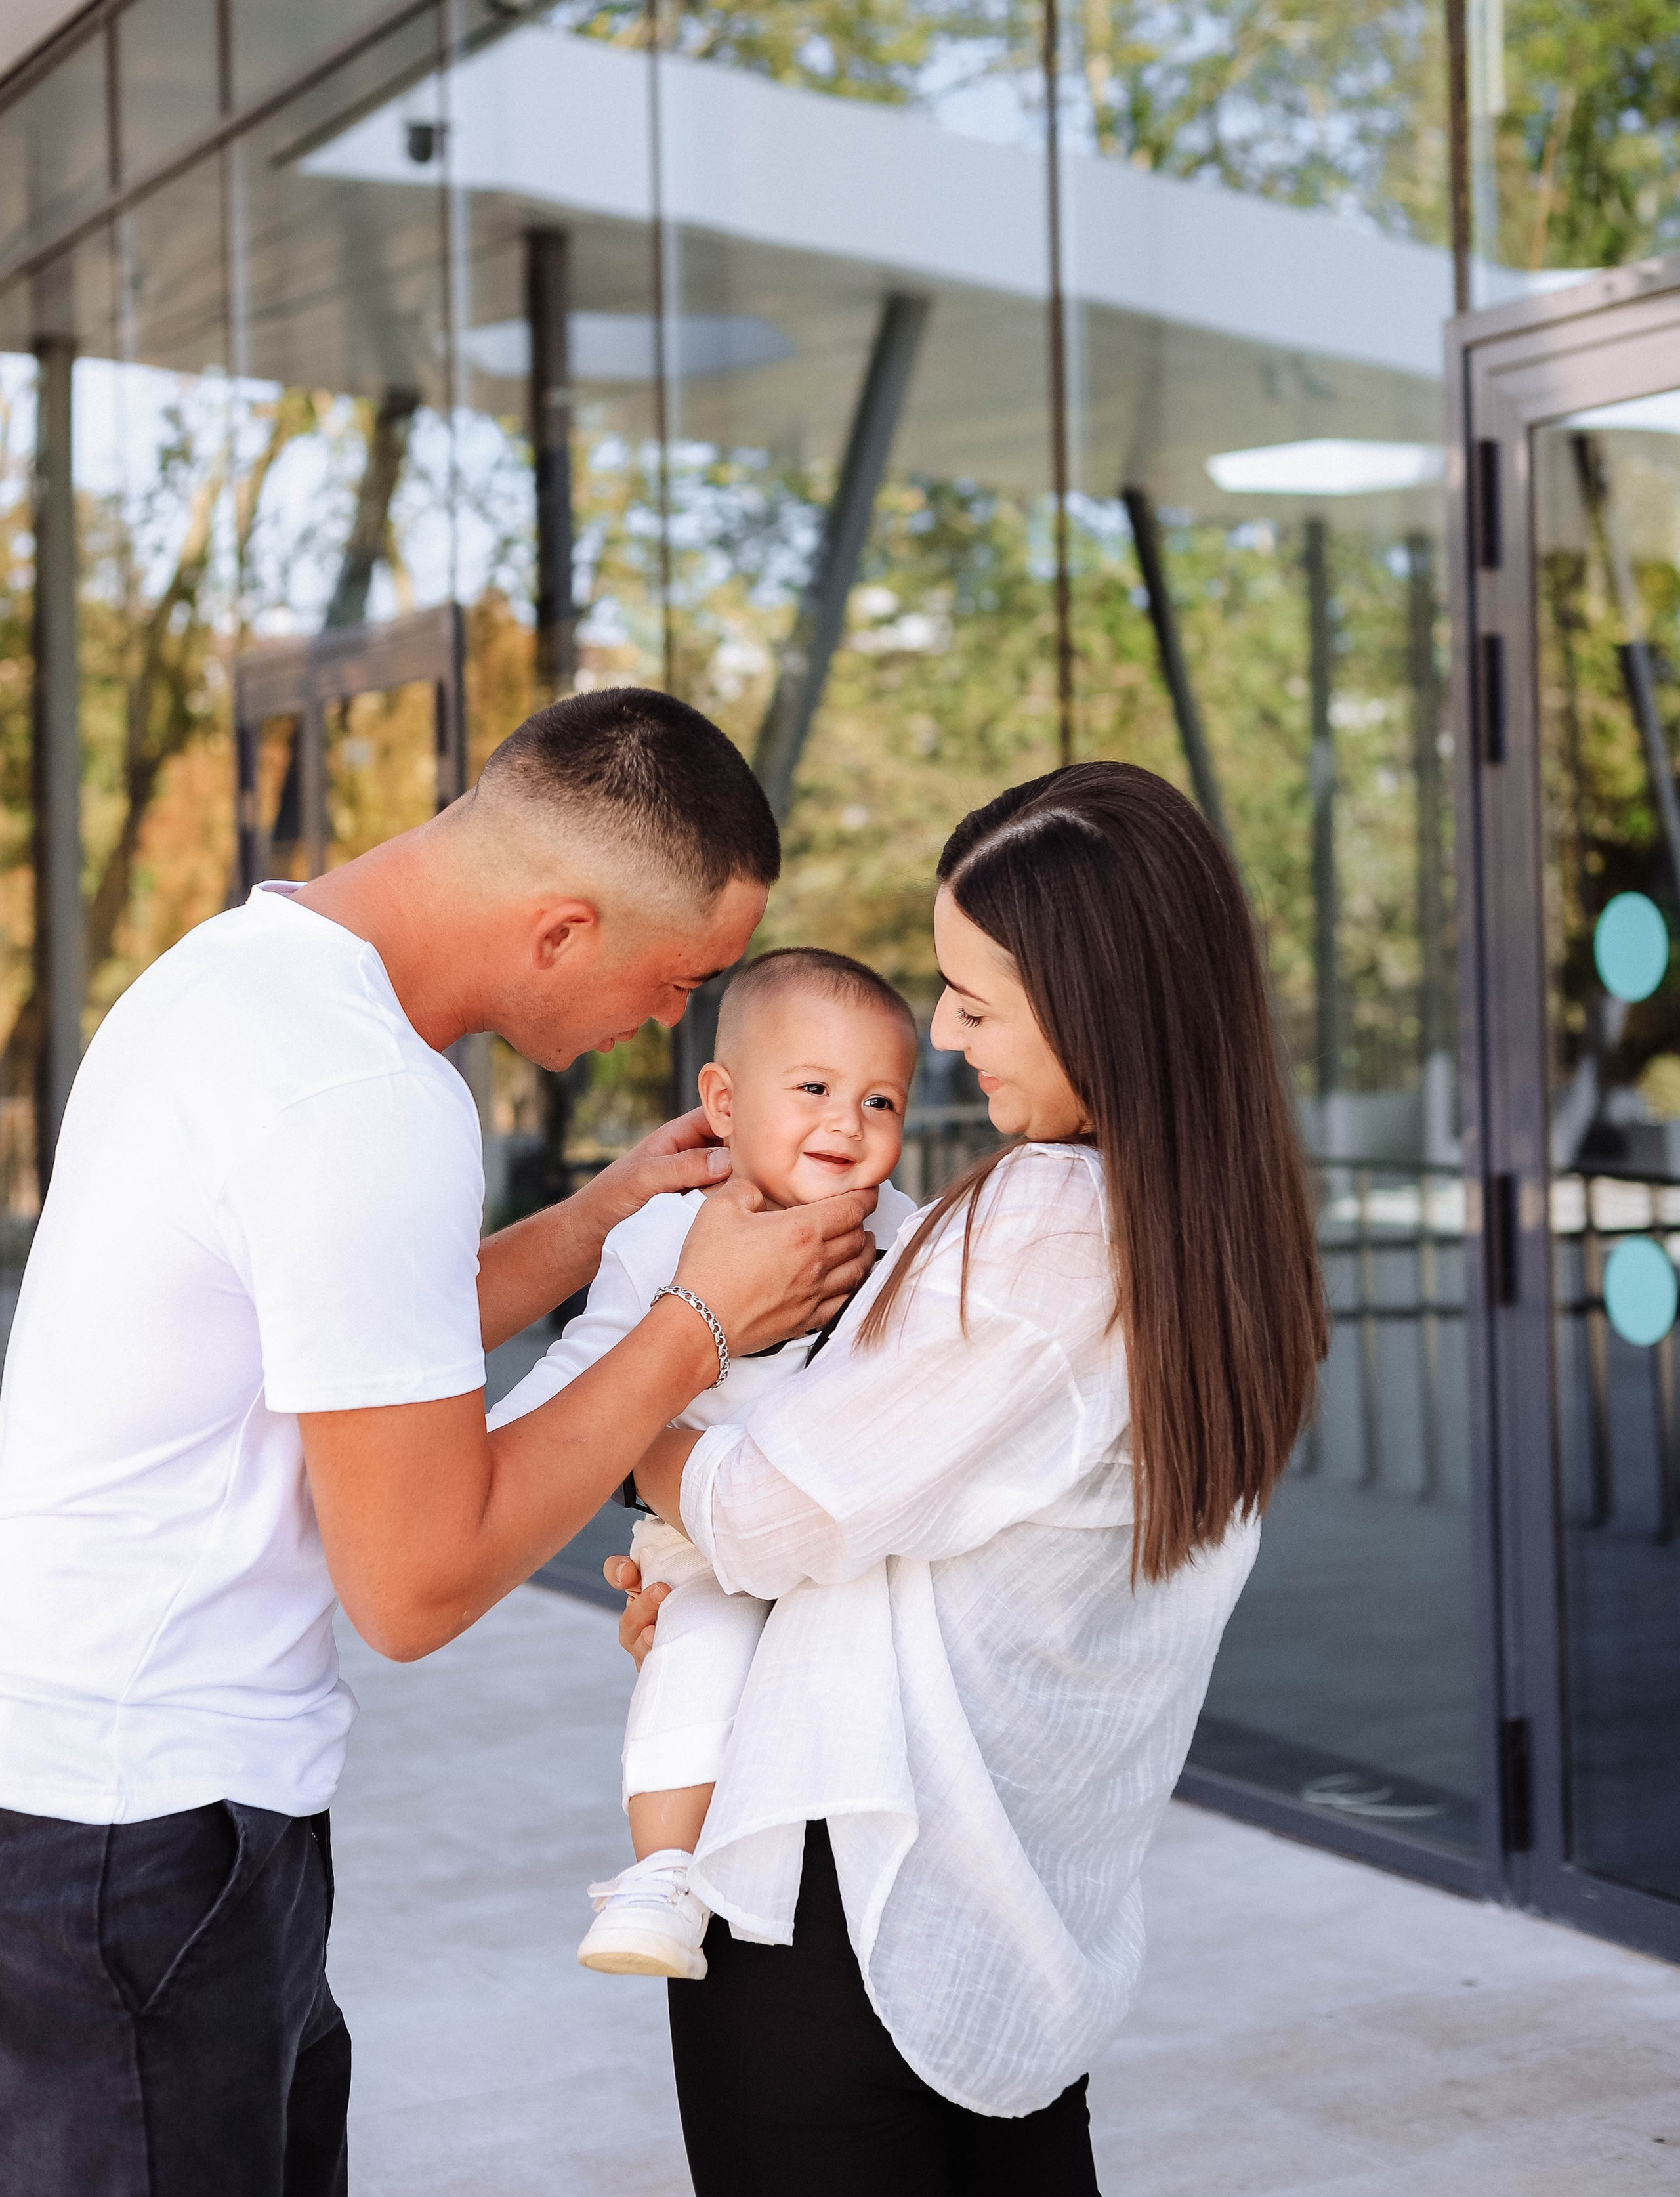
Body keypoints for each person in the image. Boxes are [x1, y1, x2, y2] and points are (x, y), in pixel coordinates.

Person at [0, 687, 874, 2197]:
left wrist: (600, 1219)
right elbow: (413, 1586)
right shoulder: (365, 1099)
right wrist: (694, 1325)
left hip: (127, 1803)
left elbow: (353, 1344)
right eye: (676, 981)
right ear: (557, 932)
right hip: (141, 1839)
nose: (672, 1026)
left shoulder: (242, 973)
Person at [612, 761, 1327, 2196]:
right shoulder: (1227, 1250)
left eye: (974, 1002)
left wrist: (641, 1417)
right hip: (1016, 1919)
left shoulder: (1049, 1219)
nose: (940, 1035)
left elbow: (768, 1513)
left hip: (851, 1903)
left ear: (1094, 1004)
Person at [490, 946, 921, 1980]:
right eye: (814, 1089)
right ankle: (664, 1874)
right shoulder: (665, 1230)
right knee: (701, 1649)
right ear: (723, 1102)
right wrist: (504, 1450)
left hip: (850, 1545)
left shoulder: (906, 1236)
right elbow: (586, 1363)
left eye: (880, 1101)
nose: (847, 1123)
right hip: (701, 1536)